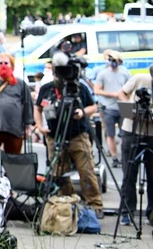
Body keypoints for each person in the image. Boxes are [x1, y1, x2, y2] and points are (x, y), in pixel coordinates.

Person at [34, 62, 104, 218]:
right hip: (55, 136)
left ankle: (95, 204)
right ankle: (67, 203)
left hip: (78, 136)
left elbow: (93, 107)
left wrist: (81, 112)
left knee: (86, 171)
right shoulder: (47, 89)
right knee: (59, 172)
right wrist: (39, 126)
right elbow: (37, 108)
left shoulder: (78, 88)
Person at [116, 63, 153, 226]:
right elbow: (122, 93)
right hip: (132, 130)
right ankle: (127, 211)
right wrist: (130, 111)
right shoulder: (140, 79)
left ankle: (152, 213)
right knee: (129, 173)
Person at [95, 50, 130, 166]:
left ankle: (123, 155)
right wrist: (113, 94)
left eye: (115, 60)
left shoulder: (125, 73)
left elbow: (130, 87)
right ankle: (114, 157)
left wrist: (124, 96)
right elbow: (97, 90)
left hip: (124, 106)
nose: (112, 62)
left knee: (126, 132)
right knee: (110, 134)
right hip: (109, 106)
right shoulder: (103, 74)